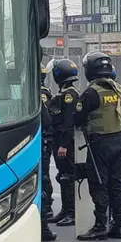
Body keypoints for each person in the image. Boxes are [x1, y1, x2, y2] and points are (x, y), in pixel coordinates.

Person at [75, 52, 121, 240]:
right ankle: (119, 225)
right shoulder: (119, 89)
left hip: (100, 144)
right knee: (116, 184)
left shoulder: (91, 93)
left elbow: (77, 119)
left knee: (99, 184)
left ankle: (100, 226)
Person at [48, 58, 80, 227]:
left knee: (68, 176)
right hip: (60, 140)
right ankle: (65, 211)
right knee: (63, 176)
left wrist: (64, 145)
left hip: (65, 142)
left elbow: (69, 122)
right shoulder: (64, 92)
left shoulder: (70, 95)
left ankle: (72, 213)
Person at [39, 63, 57, 242]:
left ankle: (43, 225)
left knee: (42, 181)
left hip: (38, 142)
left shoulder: (31, 94)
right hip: (39, 142)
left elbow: (47, 120)